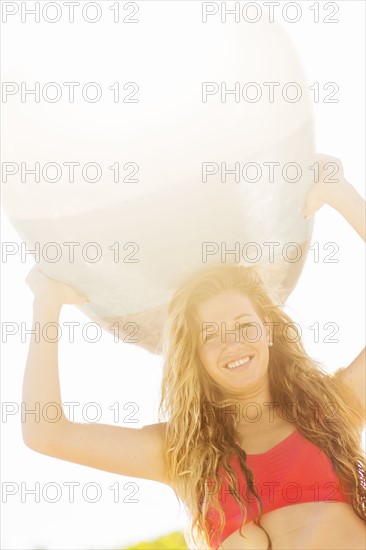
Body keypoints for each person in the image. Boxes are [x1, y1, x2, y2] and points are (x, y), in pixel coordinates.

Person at [22, 155, 365, 549]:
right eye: (212, 335)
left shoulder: (332, 408)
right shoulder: (183, 453)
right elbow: (46, 432)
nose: (234, 343)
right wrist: (46, 305)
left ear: (268, 332)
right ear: (196, 355)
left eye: (244, 326)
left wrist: (341, 194)